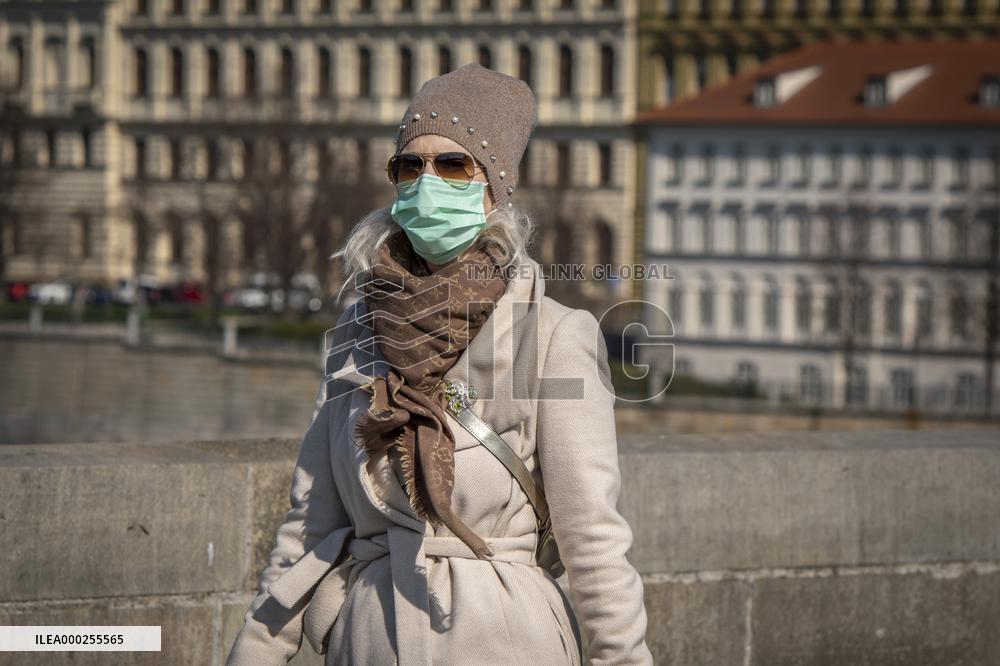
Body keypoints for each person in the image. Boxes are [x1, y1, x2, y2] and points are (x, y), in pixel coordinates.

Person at [226, 63, 653, 666]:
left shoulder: (557, 335)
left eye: (454, 164)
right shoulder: (357, 330)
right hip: (370, 639)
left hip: (504, 638)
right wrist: (256, 651)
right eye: (409, 165)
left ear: (493, 187)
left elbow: (593, 539)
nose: (427, 181)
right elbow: (309, 522)